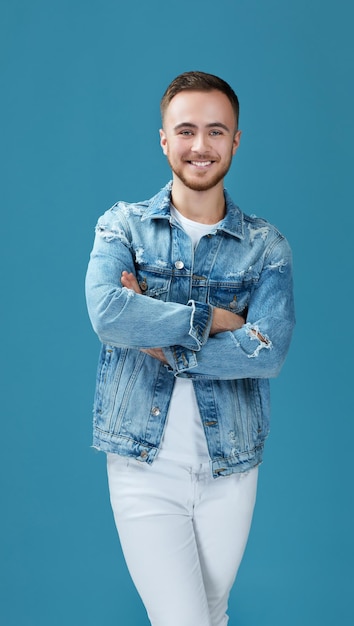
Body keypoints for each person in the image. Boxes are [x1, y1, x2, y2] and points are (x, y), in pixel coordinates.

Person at [85, 70, 295, 626]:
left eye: (216, 131)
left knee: (212, 613)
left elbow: (268, 352)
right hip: (144, 463)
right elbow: (109, 312)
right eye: (186, 131)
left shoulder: (266, 247)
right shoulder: (123, 226)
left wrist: (164, 341)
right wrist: (216, 321)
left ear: (236, 140)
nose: (200, 146)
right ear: (163, 139)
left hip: (233, 466)